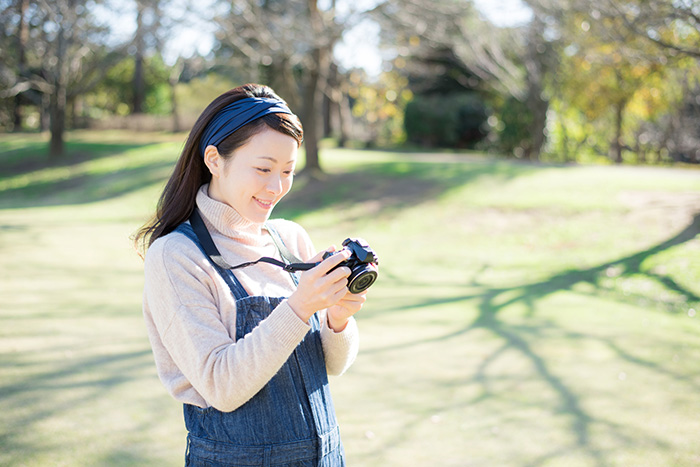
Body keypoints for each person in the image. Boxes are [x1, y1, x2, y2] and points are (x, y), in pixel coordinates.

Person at [134, 83, 366, 466]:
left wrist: (338, 319)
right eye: (263, 169)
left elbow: (331, 366)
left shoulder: (289, 237)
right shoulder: (175, 256)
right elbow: (221, 386)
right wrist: (300, 306)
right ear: (214, 159)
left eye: (288, 171)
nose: (276, 188)